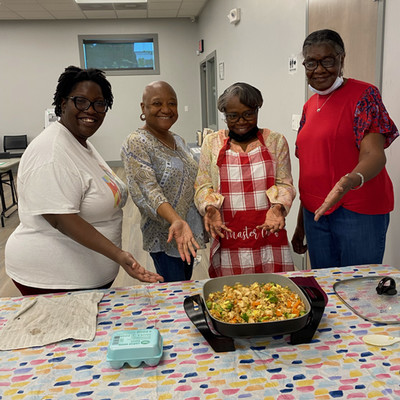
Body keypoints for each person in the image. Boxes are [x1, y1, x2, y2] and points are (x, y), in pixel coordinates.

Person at [5, 66, 163, 296]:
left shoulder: (80, 143)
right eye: (81, 101)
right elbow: (61, 219)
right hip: (53, 281)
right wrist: (119, 255)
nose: (91, 110)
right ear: (62, 103)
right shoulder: (51, 151)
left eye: (99, 103)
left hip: (83, 281)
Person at [291, 29, 399, 269]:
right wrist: (301, 224)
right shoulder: (309, 106)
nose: (318, 69)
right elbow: (310, 169)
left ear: (342, 59)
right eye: (311, 63)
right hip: (315, 215)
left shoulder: (364, 95)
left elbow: (374, 154)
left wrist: (346, 183)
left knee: (357, 288)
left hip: (357, 212)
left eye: (327, 61)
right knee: (325, 287)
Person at [194, 82, 296, 277]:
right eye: (232, 116)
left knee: (272, 291)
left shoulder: (276, 141)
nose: (241, 121)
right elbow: (203, 185)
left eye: (248, 114)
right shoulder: (212, 143)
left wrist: (278, 208)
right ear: (224, 115)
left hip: (268, 234)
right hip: (228, 233)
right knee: (234, 295)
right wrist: (210, 207)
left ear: (257, 110)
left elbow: (285, 184)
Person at [121, 81, 207, 282]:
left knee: (185, 286)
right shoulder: (137, 142)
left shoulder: (178, 140)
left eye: (172, 103)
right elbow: (148, 190)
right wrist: (175, 220)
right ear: (143, 108)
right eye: (157, 103)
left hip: (188, 233)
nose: (166, 109)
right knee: (177, 294)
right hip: (166, 234)